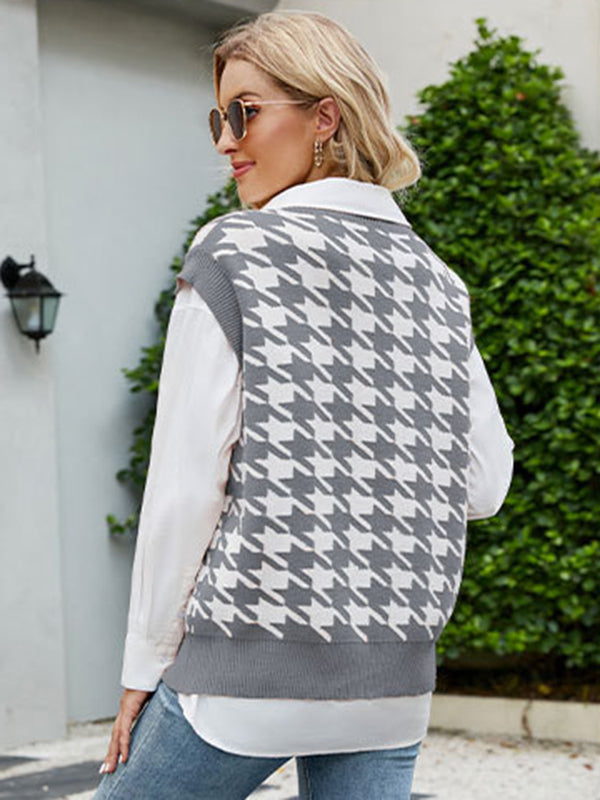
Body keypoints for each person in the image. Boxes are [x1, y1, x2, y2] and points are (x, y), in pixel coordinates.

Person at [93, 10, 514, 800]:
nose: (226, 141)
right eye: (220, 118)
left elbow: (186, 486)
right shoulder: (437, 282)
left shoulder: (235, 252)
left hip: (244, 676)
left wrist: (143, 668)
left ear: (326, 116)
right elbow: (483, 484)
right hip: (390, 685)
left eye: (246, 112)